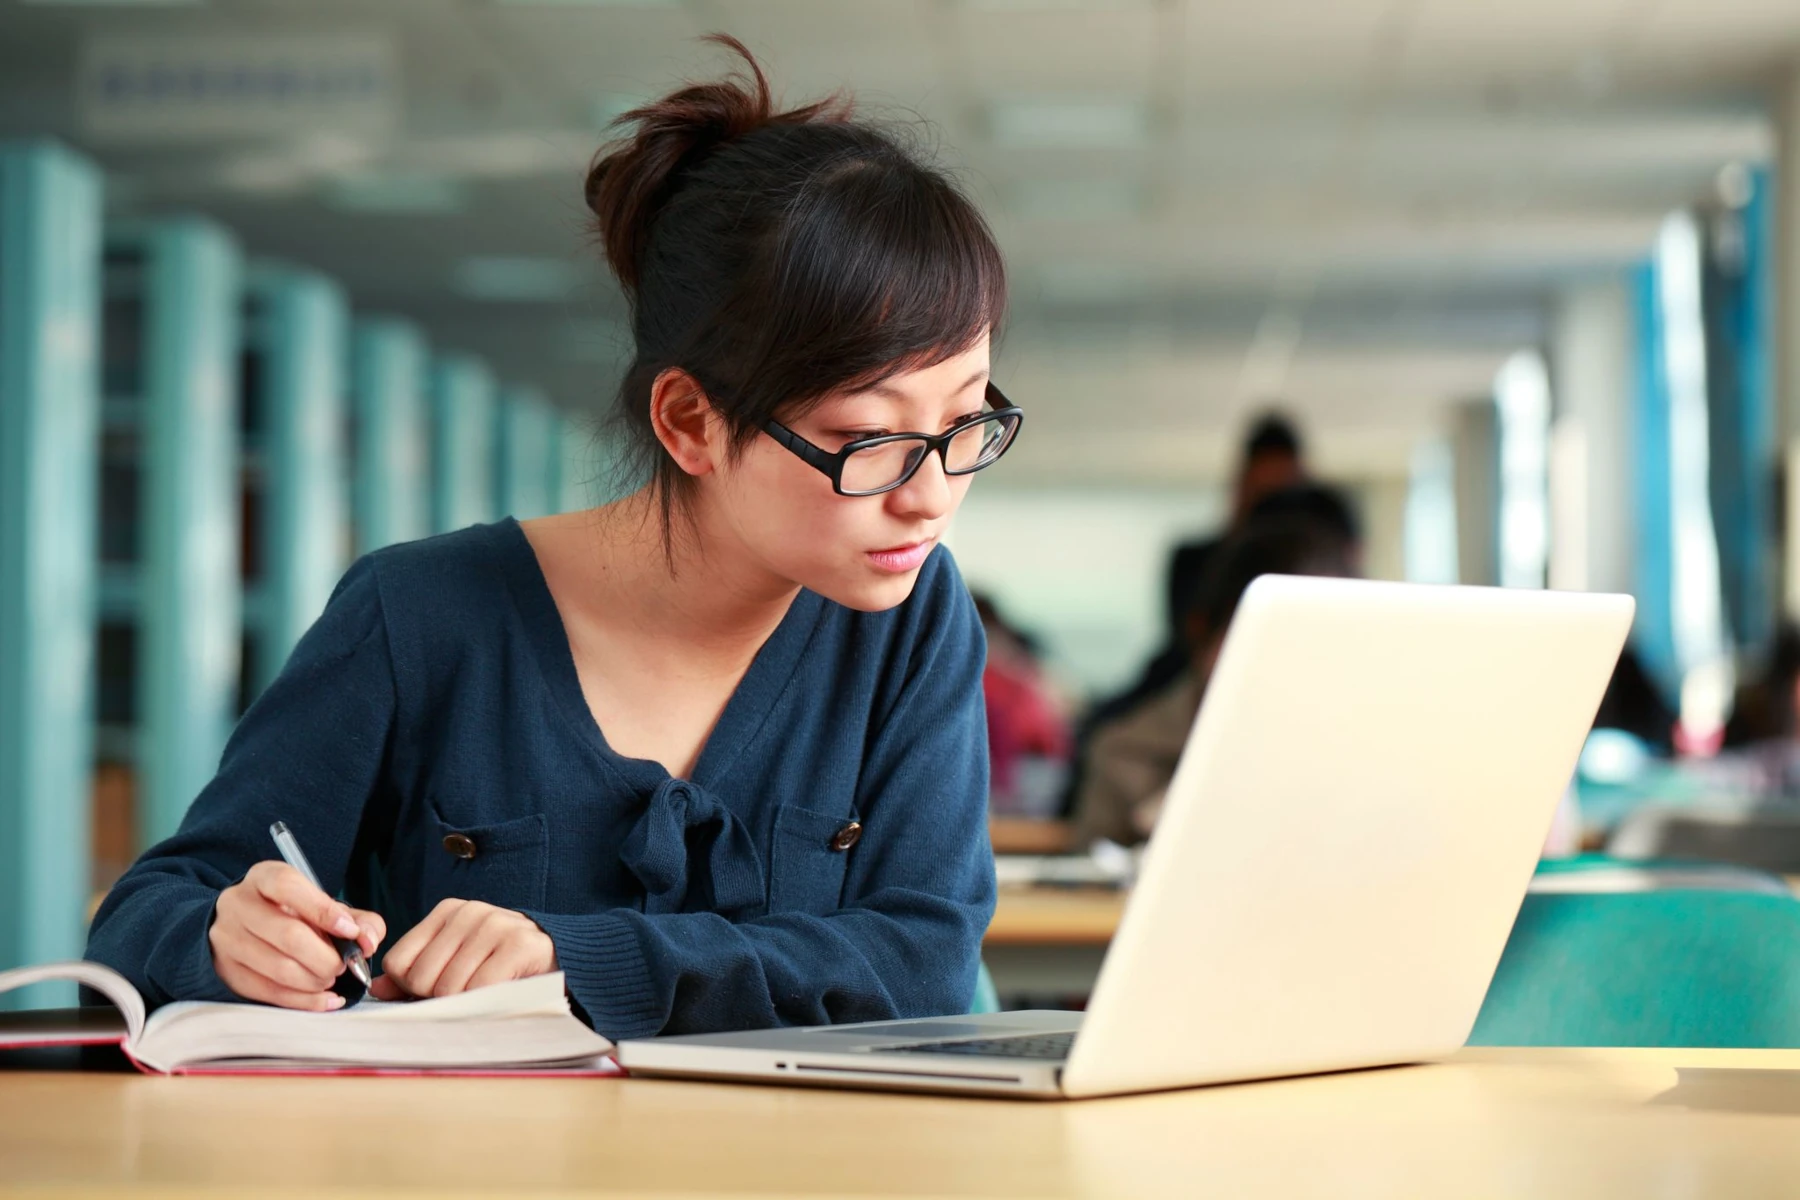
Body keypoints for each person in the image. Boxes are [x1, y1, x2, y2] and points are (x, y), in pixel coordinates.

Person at [86, 37, 1021, 1040]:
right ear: (691, 424)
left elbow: (921, 960)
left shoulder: (909, 614)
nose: (931, 497)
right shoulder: (420, 616)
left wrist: (578, 956)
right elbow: (148, 916)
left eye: (965, 423)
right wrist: (221, 938)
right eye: (868, 441)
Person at [1071, 511, 1359, 848]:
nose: (1285, 675)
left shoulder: (1356, 751)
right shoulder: (1126, 754)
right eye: (1267, 643)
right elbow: (1087, 885)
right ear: (1200, 632)